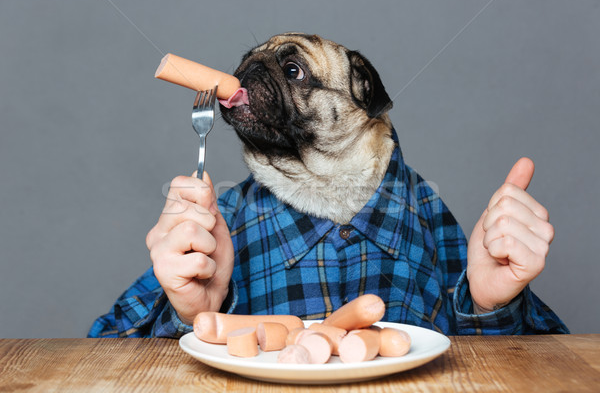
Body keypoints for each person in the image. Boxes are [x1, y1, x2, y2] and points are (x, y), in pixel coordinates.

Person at [88, 148, 568, 338]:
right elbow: (102, 349)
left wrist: (487, 305)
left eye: (293, 70)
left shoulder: (423, 208)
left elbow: (546, 369)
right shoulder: (221, 218)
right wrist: (190, 316)